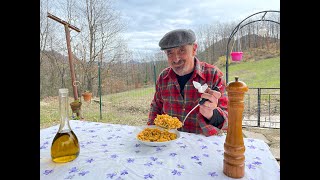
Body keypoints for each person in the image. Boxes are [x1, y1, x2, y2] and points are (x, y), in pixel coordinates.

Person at [147, 29, 228, 136]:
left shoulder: (213, 75)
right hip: (168, 142)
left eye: (181, 50)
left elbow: (228, 121)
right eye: (170, 53)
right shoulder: (163, 78)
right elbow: (156, 107)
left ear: (194, 49)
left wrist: (211, 114)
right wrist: (150, 132)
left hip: (202, 144)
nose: (176, 59)